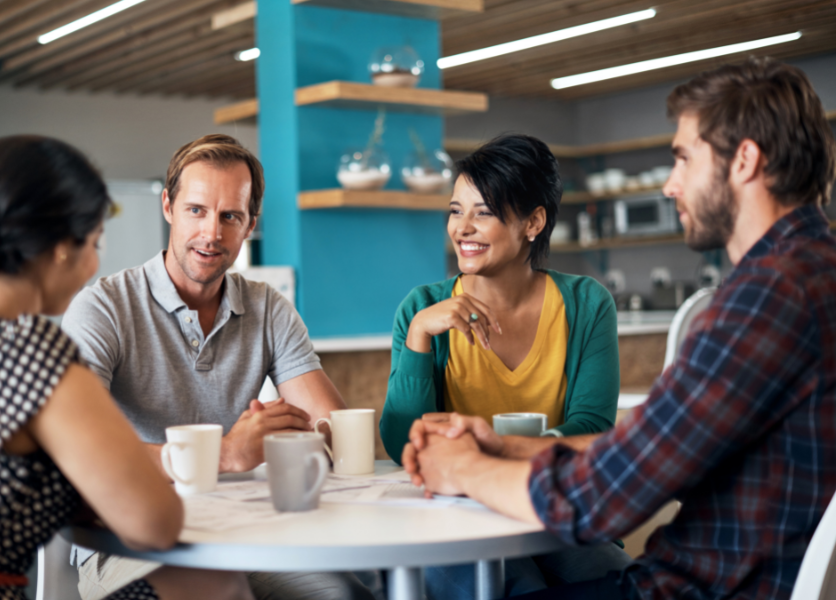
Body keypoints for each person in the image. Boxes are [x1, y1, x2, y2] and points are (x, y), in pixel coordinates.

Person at [404, 57, 836, 600]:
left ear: (744, 161)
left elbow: (598, 499)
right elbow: (652, 447)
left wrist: (461, 468)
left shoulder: (766, 298)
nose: (671, 187)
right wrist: (502, 448)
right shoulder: (813, 273)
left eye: (682, 159)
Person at [0, 136, 252, 599]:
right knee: (215, 585)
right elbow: (155, 525)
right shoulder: (30, 357)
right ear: (60, 248)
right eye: (94, 242)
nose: (94, 264)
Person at [62, 134, 377, 600]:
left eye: (230, 216)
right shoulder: (104, 307)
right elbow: (77, 451)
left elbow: (329, 423)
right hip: (130, 537)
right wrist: (226, 453)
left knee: (345, 594)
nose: (212, 233)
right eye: (196, 210)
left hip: (245, 529)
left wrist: (298, 435)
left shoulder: (268, 307)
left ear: (250, 223)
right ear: (168, 206)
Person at [380, 133, 629, 598]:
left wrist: (484, 453)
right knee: (516, 589)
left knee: (618, 581)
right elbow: (401, 444)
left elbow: (591, 427)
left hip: (552, 506)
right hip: (456, 517)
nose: (462, 228)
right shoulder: (423, 308)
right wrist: (418, 337)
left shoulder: (585, 303)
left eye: (484, 212)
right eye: (456, 211)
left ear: (533, 222)